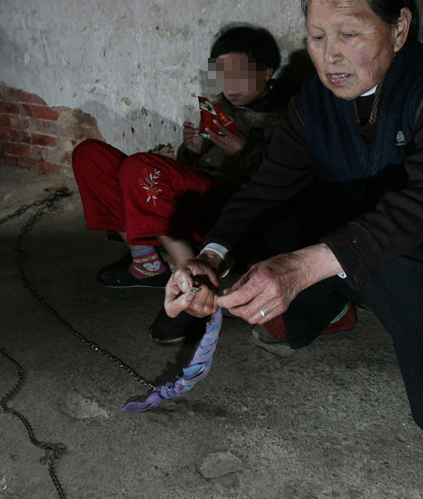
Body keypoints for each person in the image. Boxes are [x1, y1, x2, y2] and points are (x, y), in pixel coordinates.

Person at [163, 0, 423, 499]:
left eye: (350, 34)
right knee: (277, 227)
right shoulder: (314, 102)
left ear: (400, 26)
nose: (331, 56)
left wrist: (301, 267)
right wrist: (209, 258)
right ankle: (326, 305)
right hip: (357, 229)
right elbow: (266, 187)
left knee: (381, 260)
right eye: (316, 37)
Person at [72, 25, 287, 344]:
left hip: (235, 207)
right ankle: (146, 264)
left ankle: (195, 285)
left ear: (267, 70)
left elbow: (286, 180)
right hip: (198, 195)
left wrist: (244, 151)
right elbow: (191, 165)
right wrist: (193, 149)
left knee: (139, 166)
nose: (229, 84)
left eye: (240, 73)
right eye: (222, 73)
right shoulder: (221, 106)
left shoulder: (287, 114)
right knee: (90, 154)